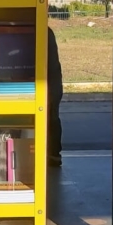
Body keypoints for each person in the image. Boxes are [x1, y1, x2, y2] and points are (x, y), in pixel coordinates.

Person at [47, 26, 63, 167]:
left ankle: (53, 154)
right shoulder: (47, 32)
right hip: (53, 83)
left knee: (51, 119)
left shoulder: (44, 32)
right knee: (53, 118)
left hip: (50, 85)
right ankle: (54, 154)